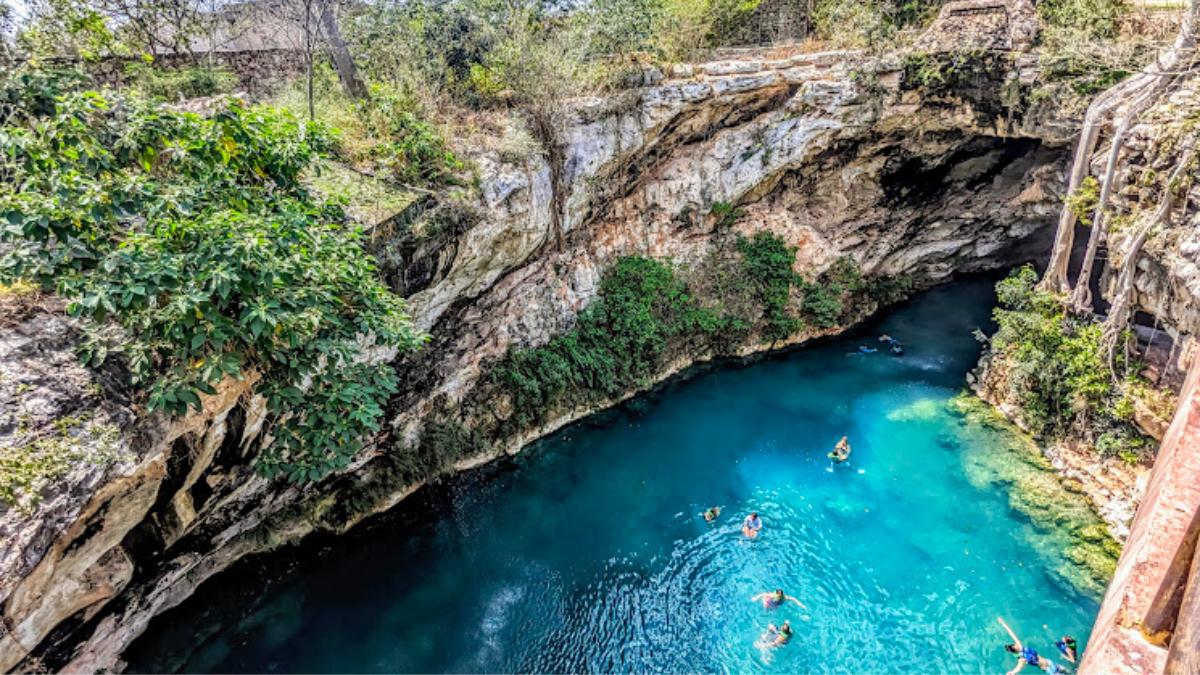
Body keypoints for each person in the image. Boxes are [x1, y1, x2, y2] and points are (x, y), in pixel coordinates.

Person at [999, 618, 1069, 675]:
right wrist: (1012, 672)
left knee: (1067, 671)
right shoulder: (1021, 659)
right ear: (1016, 649)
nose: (1017, 644)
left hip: (1050, 662)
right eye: (1015, 645)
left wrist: (1004, 624)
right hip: (1050, 671)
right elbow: (1018, 668)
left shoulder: (1021, 648)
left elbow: (1013, 635)